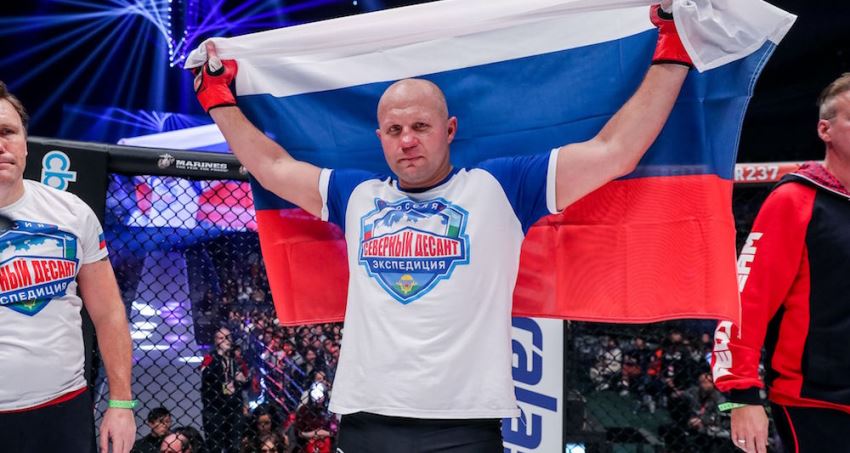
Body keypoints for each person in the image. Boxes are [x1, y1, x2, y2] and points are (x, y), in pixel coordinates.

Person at [192, 4, 692, 450]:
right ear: (380, 137)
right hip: (366, 416)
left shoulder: (501, 187)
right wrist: (218, 100)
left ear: (449, 129)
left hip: (463, 424)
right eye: (394, 130)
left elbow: (615, 151)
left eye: (420, 126)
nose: (407, 140)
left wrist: (672, 51)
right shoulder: (357, 194)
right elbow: (273, 166)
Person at [712, 73, 850, 453]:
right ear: (825, 130)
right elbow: (747, 298)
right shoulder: (795, 200)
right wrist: (741, 396)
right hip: (816, 404)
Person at [0, 81, 135, 452]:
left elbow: (108, 313)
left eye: (8, 132)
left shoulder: (72, 213)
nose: (1, 145)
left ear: (25, 142)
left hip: (60, 411)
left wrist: (121, 404)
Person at [201, 326, 248, 453]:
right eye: (221, 338)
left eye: (227, 337)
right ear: (216, 341)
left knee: (234, 446)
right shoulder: (210, 358)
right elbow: (206, 374)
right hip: (215, 409)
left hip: (234, 408)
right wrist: (220, 355)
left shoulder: (235, 360)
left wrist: (243, 379)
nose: (225, 341)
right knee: (215, 447)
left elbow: (246, 382)